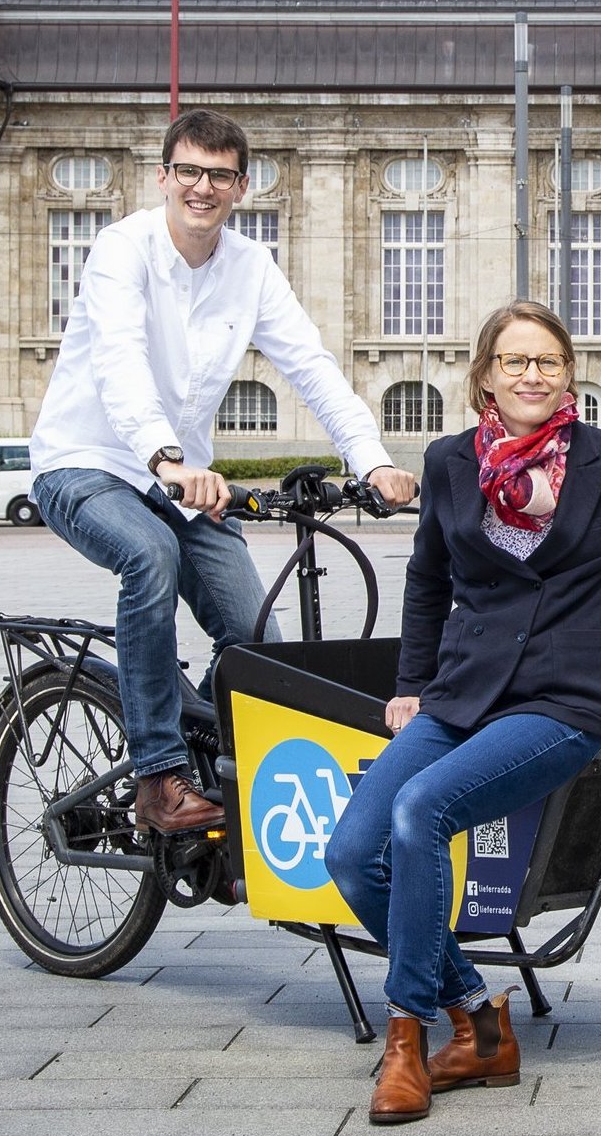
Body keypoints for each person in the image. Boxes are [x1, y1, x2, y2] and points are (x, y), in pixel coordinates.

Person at [327, 301, 601, 1125]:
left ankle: (406, 1037)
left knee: (424, 810)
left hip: (565, 699)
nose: (533, 375)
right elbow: (426, 580)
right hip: (461, 692)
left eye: (549, 361)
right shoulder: (451, 460)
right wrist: (411, 680)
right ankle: (478, 1018)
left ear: (569, 372)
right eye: (515, 361)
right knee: (351, 851)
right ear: (486, 375)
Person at [27, 108, 417, 836]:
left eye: (219, 175)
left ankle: (203, 755)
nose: (201, 187)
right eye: (188, 171)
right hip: (85, 465)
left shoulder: (250, 268)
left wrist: (372, 461)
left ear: (242, 186)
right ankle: (157, 775)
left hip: (176, 481)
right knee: (149, 556)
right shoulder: (122, 251)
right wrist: (165, 458)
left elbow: (310, 363)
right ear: (164, 176)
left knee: (254, 633)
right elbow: (119, 362)